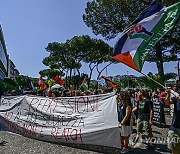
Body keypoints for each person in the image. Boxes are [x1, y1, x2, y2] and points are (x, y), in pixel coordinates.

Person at [165, 83, 180, 154]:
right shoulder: (176, 95)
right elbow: (167, 102)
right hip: (175, 126)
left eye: (175, 86)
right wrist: (168, 94)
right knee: (174, 148)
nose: (174, 87)